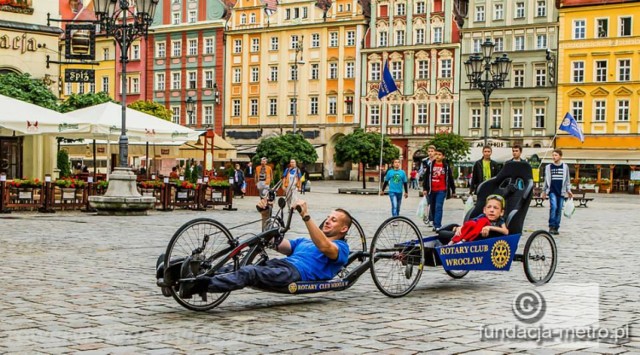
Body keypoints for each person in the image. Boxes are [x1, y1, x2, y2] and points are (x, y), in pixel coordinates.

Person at [178, 199, 352, 298]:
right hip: (280, 264)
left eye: (334, 220)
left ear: (343, 229)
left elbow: (324, 246)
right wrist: (265, 215)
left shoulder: (341, 248)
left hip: (295, 274)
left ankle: (197, 285)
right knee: (234, 268)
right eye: (328, 217)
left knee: (250, 273)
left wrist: (306, 216)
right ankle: (176, 270)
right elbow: (274, 243)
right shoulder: (305, 242)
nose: (328, 221)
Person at [422, 148, 456, 231]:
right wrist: (425, 188)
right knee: (432, 207)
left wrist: (453, 190)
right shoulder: (431, 165)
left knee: (438, 206)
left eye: (439, 154)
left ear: (443, 156)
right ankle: (434, 223)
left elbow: (450, 178)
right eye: (436, 154)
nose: (437, 156)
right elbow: (426, 178)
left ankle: (438, 225)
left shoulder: (446, 167)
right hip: (431, 190)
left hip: (441, 190)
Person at [542, 149, 573, 235]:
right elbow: (546, 180)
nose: (553, 157)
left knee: (559, 209)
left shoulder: (565, 167)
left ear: (560, 156)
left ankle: (556, 227)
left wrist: (569, 190)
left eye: (555, 155)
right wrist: (544, 191)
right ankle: (551, 226)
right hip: (552, 191)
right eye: (553, 155)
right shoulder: (548, 167)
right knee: (554, 207)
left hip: (561, 191)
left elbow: (567, 180)